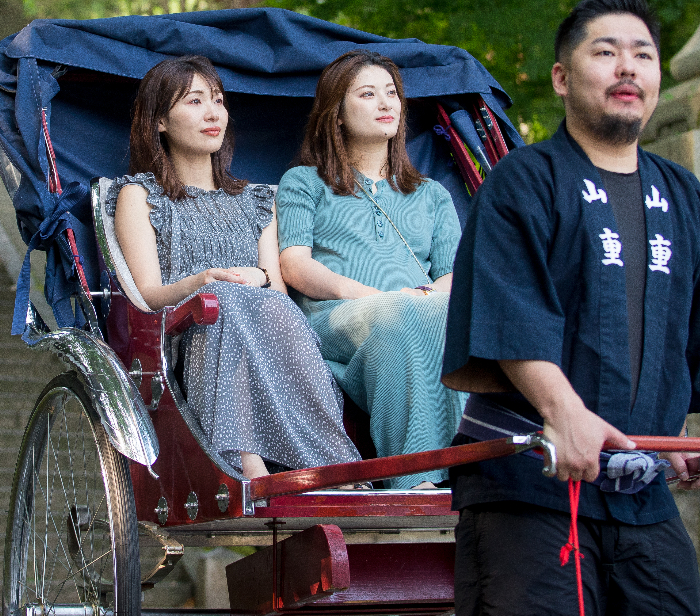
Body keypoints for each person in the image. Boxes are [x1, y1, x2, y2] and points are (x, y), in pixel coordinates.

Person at [442, 0, 700, 616]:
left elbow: (692, 331)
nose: (627, 68)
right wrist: (564, 413)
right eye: (605, 52)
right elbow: (509, 311)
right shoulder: (523, 180)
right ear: (562, 77)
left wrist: (679, 433)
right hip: (530, 481)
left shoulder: (681, 193)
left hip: (640, 493)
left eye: (642, 54)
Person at [108, 55, 361, 479]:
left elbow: (278, 294)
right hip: (187, 332)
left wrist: (259, 277)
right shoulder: (139, 195)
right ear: (159, 122)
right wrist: (202, 281)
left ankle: (331, 465)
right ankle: (247, 461)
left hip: (264, 330)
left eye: (219, 101)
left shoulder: (254, 199)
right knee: (219, 299)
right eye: (194, 101)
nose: (213, 113)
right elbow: (148, 293)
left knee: (272, 309)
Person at [277, 51, 467, 488]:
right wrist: (372, 296)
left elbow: (454, 273)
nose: (386, 104)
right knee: (400, 317)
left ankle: (473, 469)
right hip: (335, 315)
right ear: (337, 115)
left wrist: (423, 299)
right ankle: (414, 478)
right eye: (367, 94)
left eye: (392, 94)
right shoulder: (304, 182)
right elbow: (294, 263)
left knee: (452, 315)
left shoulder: (433, 194)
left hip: (418, 309)